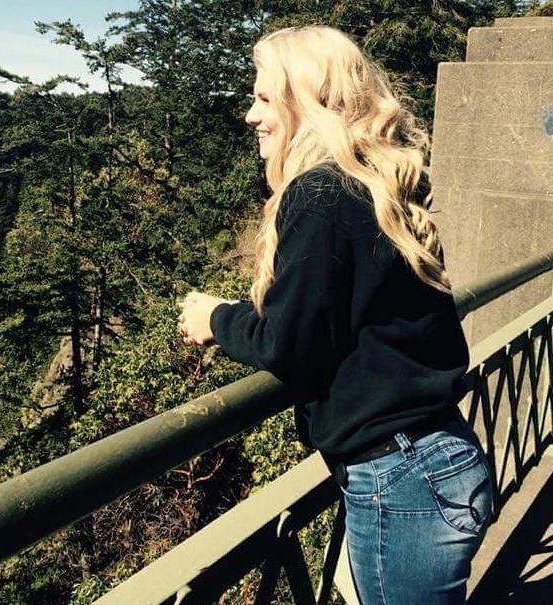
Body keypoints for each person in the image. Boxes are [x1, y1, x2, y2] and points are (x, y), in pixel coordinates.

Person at [177, 25, 493, 605]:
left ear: (308, 104)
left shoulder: (320, 196)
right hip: (436, 460)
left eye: (264, 98)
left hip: (401, 478)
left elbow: (288, 344)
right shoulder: (372, 186)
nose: (251, 115)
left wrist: (216, 319)